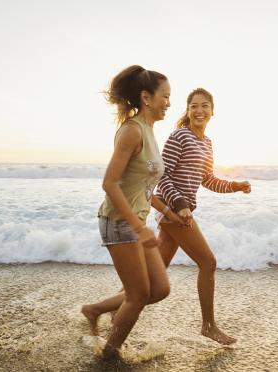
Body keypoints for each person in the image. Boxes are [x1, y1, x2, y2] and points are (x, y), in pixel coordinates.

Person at [80, 65, 183, 358]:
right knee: (138, 295)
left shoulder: (150, 131)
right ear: (146, 97)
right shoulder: (131, 131)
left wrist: (167, 212)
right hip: (118, 222)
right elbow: (109, 184)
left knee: (159, 289)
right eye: (165, 96)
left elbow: (142, 187)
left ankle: (95, 309)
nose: (169, 102)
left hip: (137, 222)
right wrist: (139, 228)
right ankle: (110, 354)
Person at [156, 88, 251, 345]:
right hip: (173, 211)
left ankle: (104, 308)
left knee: (153, 276)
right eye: (194, 106)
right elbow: (161, 176)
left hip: (180, 211)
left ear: (212, 111)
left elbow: (208, 179)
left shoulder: (206, 142)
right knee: (208, 263)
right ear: (187, 111)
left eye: (205, 106)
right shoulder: (179, 136)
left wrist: (235, 186)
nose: (199, 111)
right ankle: (208, 326)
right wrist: (179, 203)